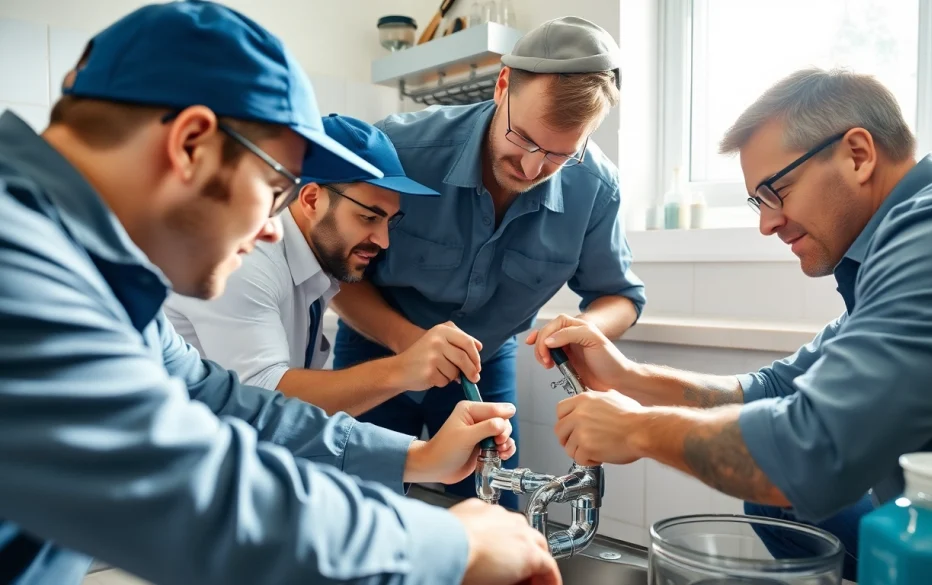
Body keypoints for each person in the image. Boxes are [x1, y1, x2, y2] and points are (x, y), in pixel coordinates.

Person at [0, 2, 560, 585]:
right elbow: (193, 489)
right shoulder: (19, 266)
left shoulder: (94, 272)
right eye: (274, 188)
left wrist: (414, 459)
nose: (273, 226)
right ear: (191, 142)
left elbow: (220, 402)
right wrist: (450, 545)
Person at [538, 68, 932, 581]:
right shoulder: (894, 254)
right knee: (779, 505)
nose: (767, 223)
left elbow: (810, 450)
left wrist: (635, 429)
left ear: (858, 154)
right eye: (757, 201)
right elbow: (773, 390)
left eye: (776, 191)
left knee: (788, 484)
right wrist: (626, 378)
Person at [331, 16, 647, 508]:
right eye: (522, 138)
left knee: (493, 511)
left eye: (559, 156)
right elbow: (334, 271)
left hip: (485, 360)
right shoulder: (400, 149)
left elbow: (620, 297)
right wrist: (410, 345)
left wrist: (584, 328)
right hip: (379, 344)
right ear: (503, 85)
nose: (530, 168)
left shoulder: (597, 188)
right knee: (354, 506)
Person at [163, 114, 495, 417]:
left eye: (389, 222)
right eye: (368, 217)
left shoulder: (317, 268)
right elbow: (263, 395)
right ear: (310, 199)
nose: (383, 241)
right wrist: (401, 370)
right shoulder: (247, 262)